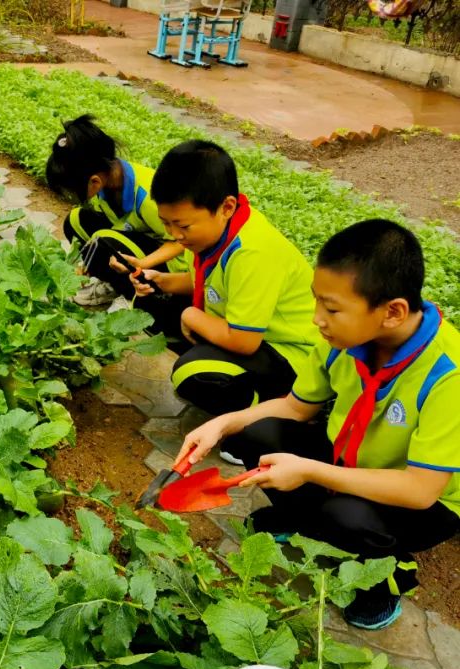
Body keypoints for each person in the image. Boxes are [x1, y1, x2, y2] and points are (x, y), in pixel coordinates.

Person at [177, 220, 460, 630]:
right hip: (349, 458)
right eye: (316, 303)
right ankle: (303, 521)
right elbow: (294, 408)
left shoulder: (448, 374)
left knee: (345, 515)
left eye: (331, 309)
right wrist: (222, 425)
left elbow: (420, 491)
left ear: (392, 311)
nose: (316, 320)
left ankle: (387, 581)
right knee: (259, 434)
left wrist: (309, 470)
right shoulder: (343, 343)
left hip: (425, 500)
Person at [127, 140, 318, 417]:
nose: (175, 235)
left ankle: (261, 410)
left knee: (193, 375)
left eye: (182, 226)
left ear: (226, 207)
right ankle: (222, 367)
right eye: (166, 223)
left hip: (290, 352)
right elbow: (204, 284)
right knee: (149, 304)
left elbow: (243, 341)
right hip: (246, 330)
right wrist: (160, 280)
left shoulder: (252, 252)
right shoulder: (213, 234)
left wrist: (191, 316)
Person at [46, 114, 190, 323]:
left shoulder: (150, 196)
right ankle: (112, 283)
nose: (72, 195)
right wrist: (83, 261)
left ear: (94, 181)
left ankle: (131, 296)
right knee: (76, 220)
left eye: (72, 190)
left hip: (175, 262)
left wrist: (142, 263)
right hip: (141, 237)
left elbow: (183, 242)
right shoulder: (106, 183)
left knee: (104, 242)